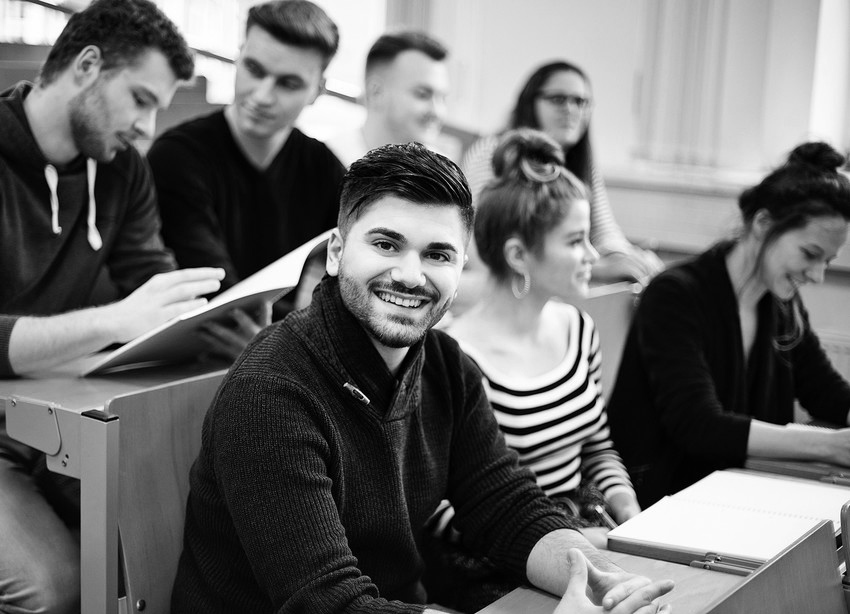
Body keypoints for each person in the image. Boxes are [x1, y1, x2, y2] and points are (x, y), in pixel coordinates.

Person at [170, 143, 673, 614]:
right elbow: (328, 604)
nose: (411, 276)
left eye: (438, 254)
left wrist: (604, 579)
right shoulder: (271, 390)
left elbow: (506, 505)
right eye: (387, 244)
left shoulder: (446, 365)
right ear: (337, 252)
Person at [0, 0, 223, 611]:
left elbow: (151, 278)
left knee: (163, 544)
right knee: (52, 590)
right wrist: (115, 320)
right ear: (88, 66)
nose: (149, 127)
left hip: (56, 413)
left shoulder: (121, 169)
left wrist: (213, 317)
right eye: (142, 99)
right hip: (11, 423)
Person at [425, 129, 640, 611]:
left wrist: (630, 516)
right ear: (519, 254)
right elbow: (439, 509)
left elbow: (597, 446)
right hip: (494, 557)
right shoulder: (456, 357)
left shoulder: (577, 326)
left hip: (581, 532)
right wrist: (572, 543)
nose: (592, 255)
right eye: (575, 241)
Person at [607, 142, 850, 507]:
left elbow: (827, 393)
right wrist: (830, 446)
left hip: (738, 493)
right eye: (810, 254)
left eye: (827, 262)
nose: (817, 275)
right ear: (762, 223)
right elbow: (699, 425)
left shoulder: (780, 303)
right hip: (663, 502)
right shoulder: (675, 294)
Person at [148, 0, 345, 319]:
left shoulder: (326, 170)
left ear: (316, 91)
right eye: (254, 69)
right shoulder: (177, 157)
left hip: (280, 348)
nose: (262, 95)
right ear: (238, 57)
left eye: (288, 83)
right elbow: (218, 296)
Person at [461, 61, 663, 291]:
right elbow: (480, 244)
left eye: (580, 101)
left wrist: (628, 259)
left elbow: (604, 231)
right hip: (502, 287)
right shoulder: (492, 150)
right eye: (558, 99)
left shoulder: (583, 162)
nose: (570, 109)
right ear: (530, 103)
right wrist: (596, 267)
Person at [326, 31, 449, 167]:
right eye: (422, 94)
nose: (437, 112)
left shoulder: (443, 174)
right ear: (376, 93)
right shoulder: (323, 164)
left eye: (443, 98)